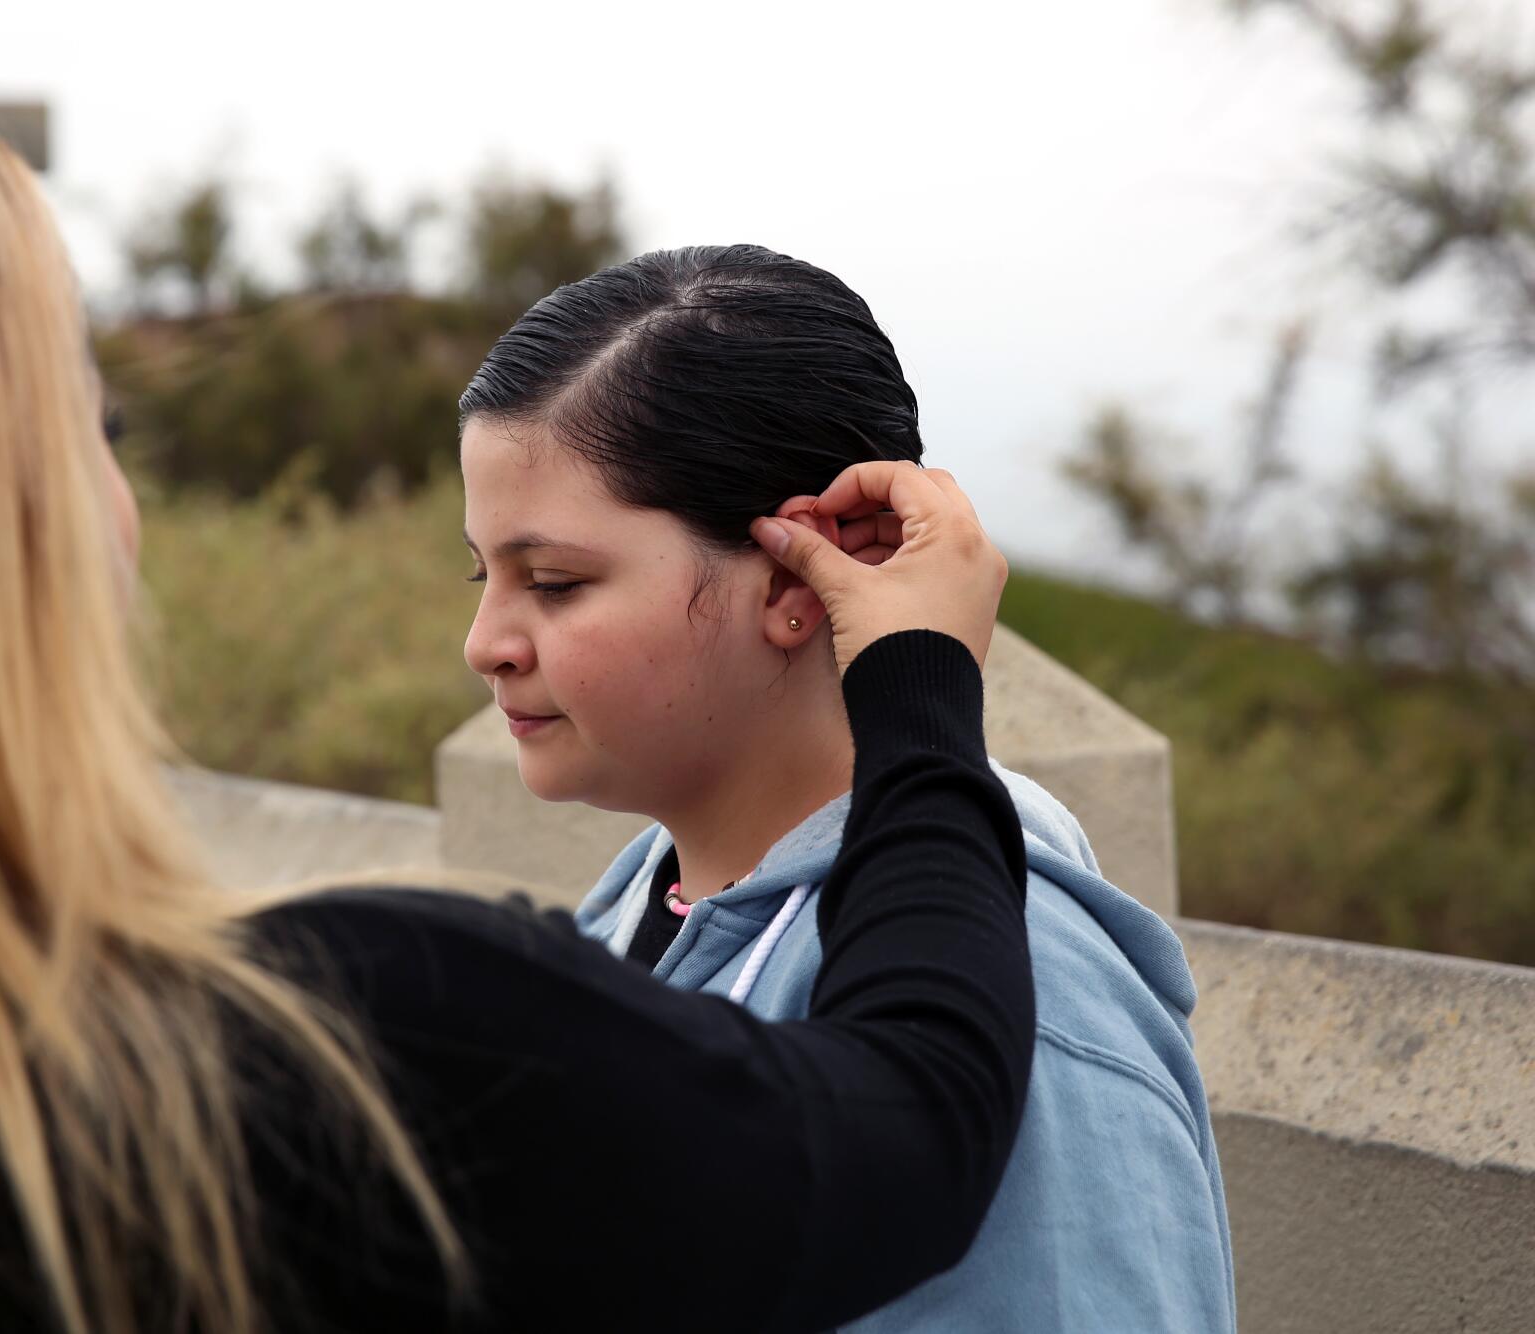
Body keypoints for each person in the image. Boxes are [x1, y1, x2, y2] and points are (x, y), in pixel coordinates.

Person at [0, 42, 1034, 1334]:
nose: (493, 636)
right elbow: (920, 1113)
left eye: (553, 579)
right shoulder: (341, 1067)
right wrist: (917, 686)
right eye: (87, 420)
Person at [460, 245, 1237, 1333]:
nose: (484, 641)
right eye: (480, 573)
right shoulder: (638, 904)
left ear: (789, 580)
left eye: (552, 583)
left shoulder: (1023, 993)